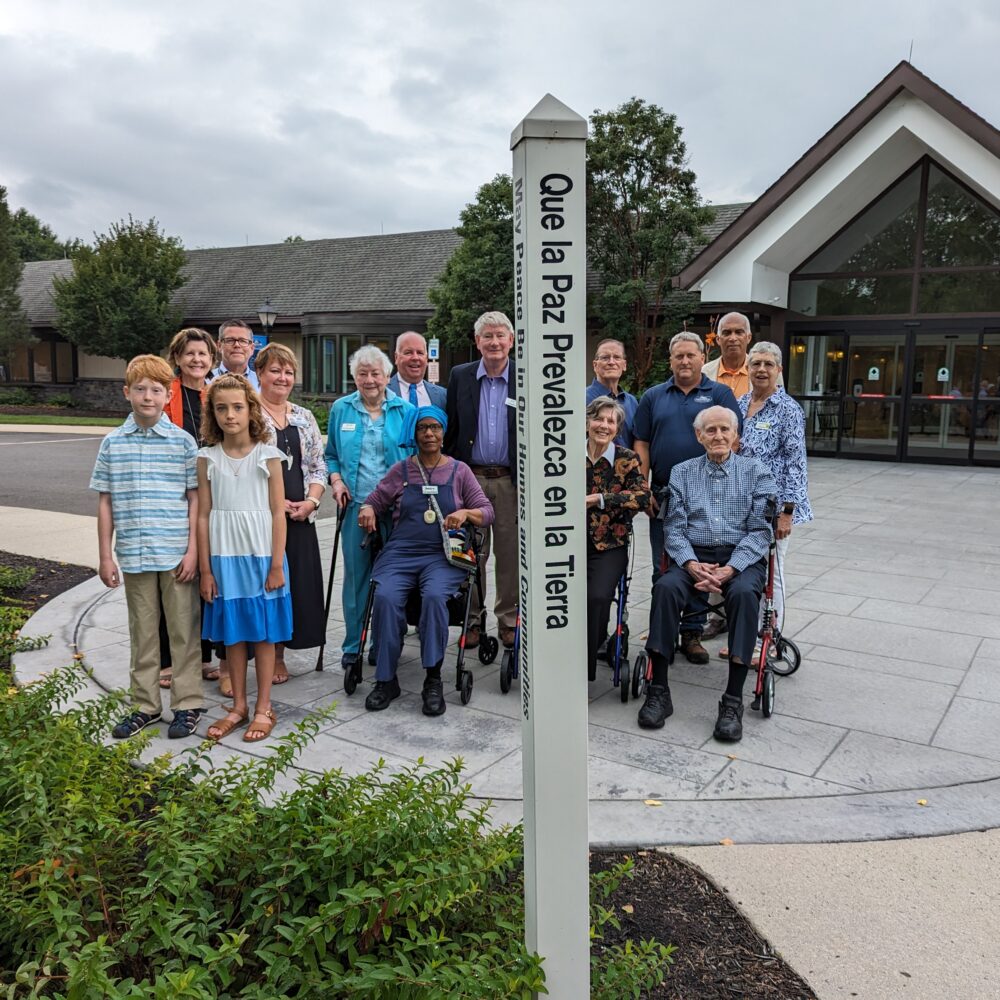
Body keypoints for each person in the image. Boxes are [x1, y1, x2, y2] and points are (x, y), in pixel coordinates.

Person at [637, 406, 776, 743]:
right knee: (666, 588)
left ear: (735, 435)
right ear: (698, 436)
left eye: (724, 430)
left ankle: (731, 702)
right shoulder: (681, 473)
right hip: (694, 559)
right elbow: (674, 529)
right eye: (710, 430)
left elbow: (761, 532)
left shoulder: (757, 472)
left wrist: (731, 568)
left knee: (743, 595)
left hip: (739, 558)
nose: (718, 436)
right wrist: (690, 564)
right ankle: (659, 691)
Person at [89, 354, 204, 741]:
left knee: (184, 632)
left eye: (157, 390)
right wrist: (106, 554)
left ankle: (187, 704)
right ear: (127, 393)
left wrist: (192, 551)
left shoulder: (183, 442)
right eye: (140, 389)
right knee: (143, 633)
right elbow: (105, 501)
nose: (148, 396)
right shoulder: (112, 443)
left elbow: (194, 500)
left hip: (176, 554)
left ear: (168, 394)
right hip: (135, 555)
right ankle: (145, 705)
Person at [359, 406, 494, 714]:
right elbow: (375, 500)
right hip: (402, 551)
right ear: (415, 433)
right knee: (386, 596)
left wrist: (465, 513)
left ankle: (433, 679)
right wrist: (367, 509)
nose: (430, 433)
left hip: (442, 554)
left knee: (434, 597)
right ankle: (385, 679)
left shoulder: (460, 471)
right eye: (423, 428)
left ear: (444, 433)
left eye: (435, 427)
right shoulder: (401, 470)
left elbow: (487, 511)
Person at [632, 332, 742, 664]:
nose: (684, 361)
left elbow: (732, 439)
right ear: (671, 360)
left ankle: (692, 633)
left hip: (709, 496)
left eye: (690, 355)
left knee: (700, 561)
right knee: (662, 566)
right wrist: (644, 486)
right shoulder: (653, 396)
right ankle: (661, 630)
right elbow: (642, 443)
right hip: (664, 494)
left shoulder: (719, 393)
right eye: (678, 356)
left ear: (701, 357)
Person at [198, 374, 292, 743]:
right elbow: (204, 515)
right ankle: (238, 706)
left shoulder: (267, 456)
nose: (229, 415)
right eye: (221, 408)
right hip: (224, 561)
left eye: (237, 407)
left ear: (250, 409)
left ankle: (263, 707)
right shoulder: (206, 458)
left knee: (264, 635)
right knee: (233, 637)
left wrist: (275, 564)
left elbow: (277, 512)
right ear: (212, 413)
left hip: (262, 558)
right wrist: (206, 570)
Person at [325, 345, 415, 671]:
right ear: (355, 378)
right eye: (362, 374)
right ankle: (353, 644)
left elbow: (418, 459)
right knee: (356, 580)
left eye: (375, 373)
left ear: (387, 376)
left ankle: (384, 641)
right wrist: (336, 481)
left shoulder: (405, 411)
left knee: (391, 579)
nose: (369, 379)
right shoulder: (341, 409)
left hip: (396, 509)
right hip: (355, 507)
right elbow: (332, 454)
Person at [444, 311, 517, 649]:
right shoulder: (460, 376)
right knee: (471, 553)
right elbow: (452, 429)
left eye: (500, 335)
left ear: (511, 340)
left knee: (508, 554)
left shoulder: (525, 375)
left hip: (509, 481)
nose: (494, 342)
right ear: (477, 342)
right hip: (470, 479)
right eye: (487, 336)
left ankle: (508, 619)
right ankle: (472, 620)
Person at [731, 341, 812, 641]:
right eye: (756, 364)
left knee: (772, 573)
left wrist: (786, 513)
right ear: (748, 368)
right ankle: (742, 634)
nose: (761, 370)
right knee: (744, 569)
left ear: (779, 370)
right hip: (740, 504)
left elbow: (796, 464)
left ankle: (768, 635)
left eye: (768, 364)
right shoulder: (739, 404)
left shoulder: (789, 410)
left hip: (773, 508)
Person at [256, 342, 327, 683]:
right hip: (261, 516)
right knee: (263, 586)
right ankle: (256, 655)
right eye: (275, 370)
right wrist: (272, 502)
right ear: (259, 373)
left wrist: (311, 502)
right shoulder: (248, 414)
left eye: (288, 372)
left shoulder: (303, 416)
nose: (282, 378)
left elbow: (317, 465)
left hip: (299, 517)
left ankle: (280, 655)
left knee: (294, 586)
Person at [160, 327, 223, 689]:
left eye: (203, 354)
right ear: (178, 358)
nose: (197, 360)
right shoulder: (165, 394)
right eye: (190, 354)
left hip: (215, 495)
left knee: (207, 576)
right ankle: (169, 659)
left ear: (211, 359)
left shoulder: (216, 394)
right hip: (175, 497)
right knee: (175, 579)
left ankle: (202, 656)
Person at [585, 396, 650, 681]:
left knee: (597, 596)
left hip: (609, 544)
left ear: (617, 429)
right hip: (563, 541)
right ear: (587, 421)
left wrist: (599, 499)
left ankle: (582, 666)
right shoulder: (563, 454)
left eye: (611, 421)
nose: (603, 425)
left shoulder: (627, 459)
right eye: (598, 418)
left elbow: (642, 496)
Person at [586, 339, 638, 447]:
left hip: (627, 463)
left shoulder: (632, 402)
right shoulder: (580, 399)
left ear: (624, 365)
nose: (611, 362)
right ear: (595, 365)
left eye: (617, 357)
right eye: (605, 358)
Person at [389, 330, 447, 408]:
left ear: (426, 359)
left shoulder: (443, 395)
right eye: (408, 352)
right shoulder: (381, 392)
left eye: (420, 353)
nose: (415, 358)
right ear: (396, 358)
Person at [211, 319, 260, 389]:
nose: (237, 345)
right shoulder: (205, 380)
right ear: (219, 346)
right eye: (230, 340)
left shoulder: (262, 382)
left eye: (243, 341)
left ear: (252, 348)